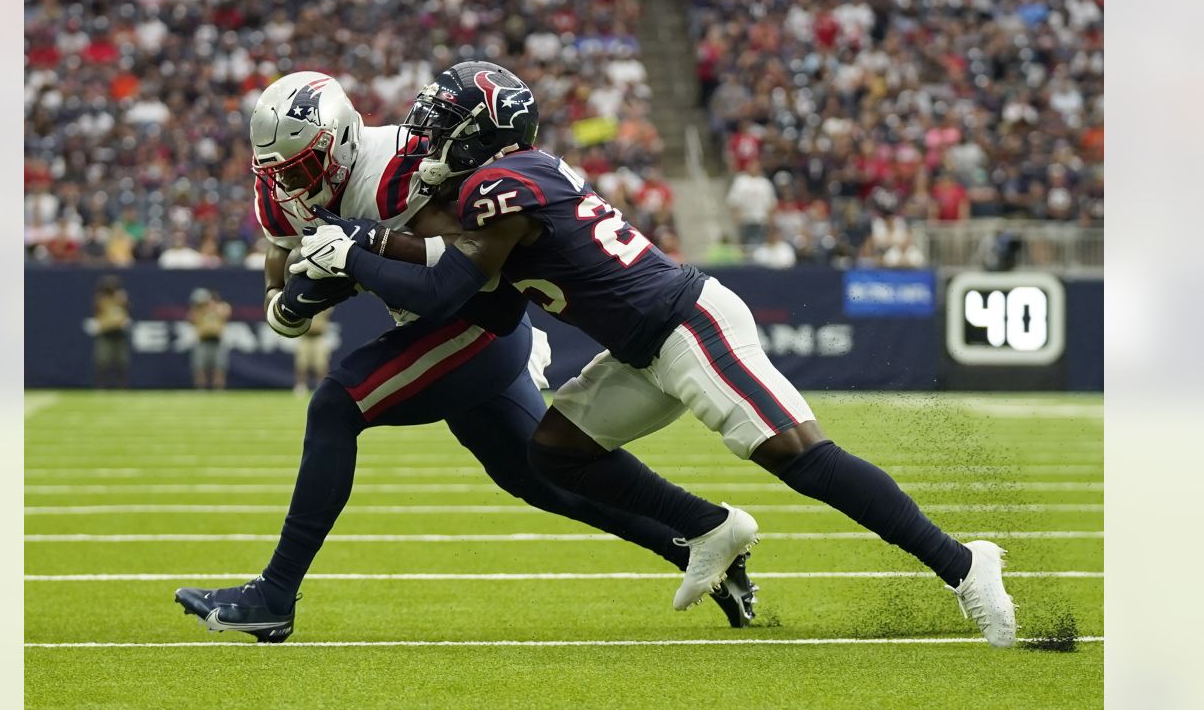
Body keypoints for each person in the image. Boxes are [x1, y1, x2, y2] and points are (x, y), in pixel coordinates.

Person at [296, 62, 1017, 647]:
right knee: (555, 451)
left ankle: (963, 563)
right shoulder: (497, 183)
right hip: (641, 349)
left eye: (441, 122)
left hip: (686, 326)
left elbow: (448, 287)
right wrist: (364, 245)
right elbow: (465, 278)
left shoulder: (496, 186)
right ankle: (712, 528)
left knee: (800, 455)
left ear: (480, 134)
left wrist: (351, 253)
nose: (423, 134)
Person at [175, 72, 757, 643]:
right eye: (280, 173)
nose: (293, 185)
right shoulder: (280, 188)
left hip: (474, 320)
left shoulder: (399, 167)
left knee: (336, 403)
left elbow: (468, 260)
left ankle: (274, 595)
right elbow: (281, 271)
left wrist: (357, 261)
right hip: (436, 328)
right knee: (537, 477)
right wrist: (288, 304)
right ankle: (699, 534)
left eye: (303, 169)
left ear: (342, 142)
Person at [187, 288, 231, 390]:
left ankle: (218, 389)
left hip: (217, 341)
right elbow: (191, 319)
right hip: (202, 341)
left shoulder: (221, 307)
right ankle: (201, 389)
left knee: (219, 368)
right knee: (199, 368)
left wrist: (211, 307)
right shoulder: (198, 311)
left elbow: (225, 313)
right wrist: (199, 309)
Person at [92, 275, 130, 389]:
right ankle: (100, 386)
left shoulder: (121, 298)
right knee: (102, 361)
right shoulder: (101, 299)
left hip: (119, 334)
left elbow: (127, 310)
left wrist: (122, 300)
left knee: (122, 362)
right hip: (106, 334)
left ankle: (122, 386)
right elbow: (97, 312)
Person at [292, 309, 332, 394]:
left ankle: (322, 386)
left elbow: (327, 313)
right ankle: (301, 386)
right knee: (302, 363)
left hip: (319, 337)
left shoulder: (324, 302)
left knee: (321, 364)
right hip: (305, 336)